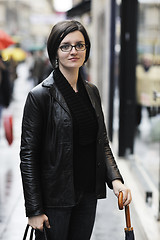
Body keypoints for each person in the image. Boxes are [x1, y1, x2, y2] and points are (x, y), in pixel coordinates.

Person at [20, 20, 132, 240]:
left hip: (88, 195)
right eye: (66, 46)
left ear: (86, 49)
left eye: (79, 45)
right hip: (55, 200)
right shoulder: (40, 96)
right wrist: (34, 210)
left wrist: (116, 181)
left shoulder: (92, 91)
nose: (74, 51)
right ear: (55, 51)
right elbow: (28, 156)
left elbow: (102, 142)